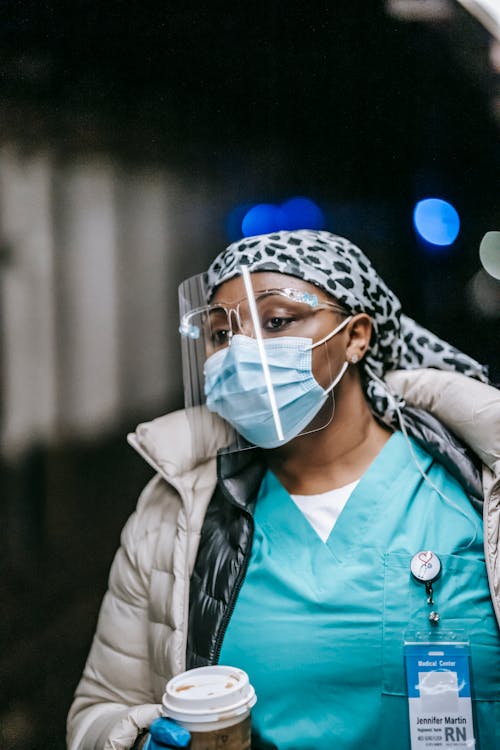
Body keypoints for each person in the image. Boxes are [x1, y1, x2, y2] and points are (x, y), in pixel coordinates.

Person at [67, 230, 500, 750]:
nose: (241, 353)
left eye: (276, 322)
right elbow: (99, 707)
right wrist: (134, 741)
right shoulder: (175, 513)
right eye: (222, 335)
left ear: (356, 335)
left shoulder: (473, 489)